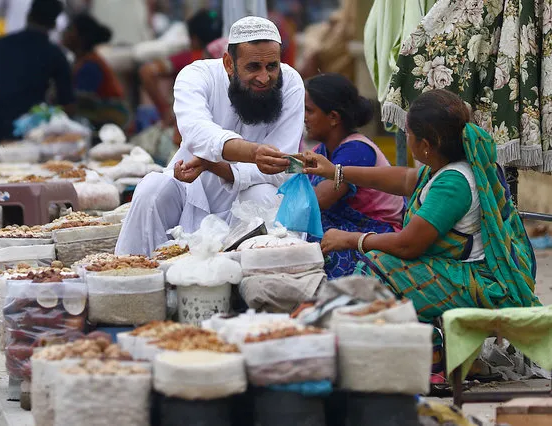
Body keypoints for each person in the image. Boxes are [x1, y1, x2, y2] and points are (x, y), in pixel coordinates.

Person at [303, 90, 540, 373]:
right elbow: (403, 179)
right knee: (377, 266)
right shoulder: (444, 166)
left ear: (426, 144)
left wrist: (352, 240)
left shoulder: (453, 183)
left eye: (408, 133)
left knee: (378, 269)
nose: (406, 138)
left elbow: (408, 246)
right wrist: (336, 171)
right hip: (459, 270)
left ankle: (432, 360)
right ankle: (431, 353)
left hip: (483, 284)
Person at [116, 16, 302, 256]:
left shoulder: (291, 83)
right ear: (229, 63)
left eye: (272, 66)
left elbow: (284, 168)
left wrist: (221, 168)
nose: (264, 78)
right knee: (152, 187)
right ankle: (133, 271)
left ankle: (246, 284)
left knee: (261, 195)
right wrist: (253, 153)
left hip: (252, 195)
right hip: (190, 187)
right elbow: (197, 132)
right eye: (253, 67)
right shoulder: (196, 75)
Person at [303, 74, 404, 278]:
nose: (302, 117)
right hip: (349, 225)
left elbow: (316, 201)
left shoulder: (357, 150)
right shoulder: (322, 150)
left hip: (376, 231)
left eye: (309, 110)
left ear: (333, 117)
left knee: (305, 238)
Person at [0, 0, 75, 144]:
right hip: (28, 130)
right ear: (54, 24)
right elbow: (68, 105)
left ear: (28, 16)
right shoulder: (55, 55)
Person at [138, 9, 223, 127]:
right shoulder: (227, 60)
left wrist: (165, 111)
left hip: (186, 126)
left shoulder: (190, 58)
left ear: (194, 38)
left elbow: (146, 72)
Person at [62, 13, 128, 130]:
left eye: (69, 29)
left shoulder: (90, 65)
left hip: (111, 123)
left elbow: (80, 103)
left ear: (80, 36)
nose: (64, 33)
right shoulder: (81, 61)